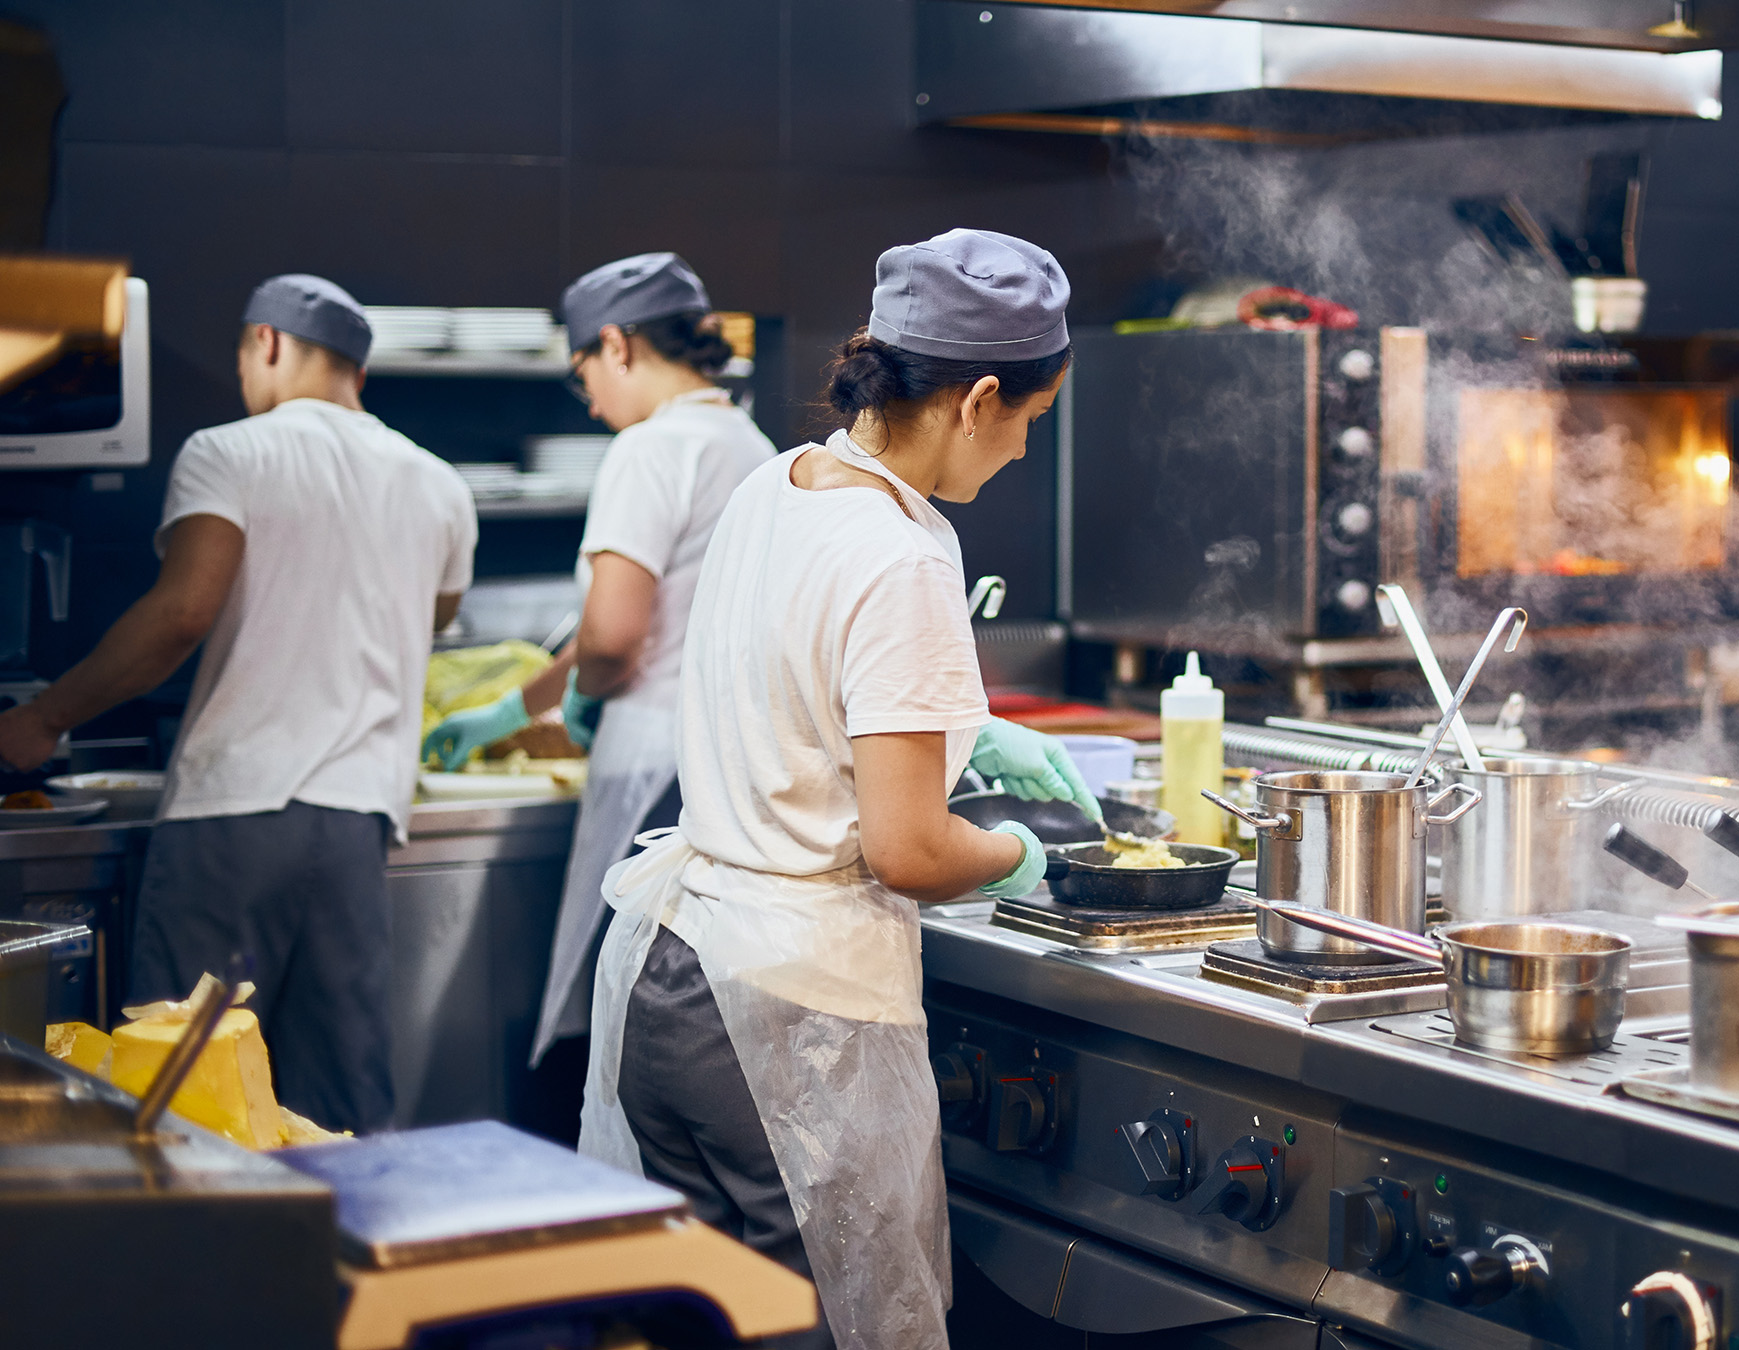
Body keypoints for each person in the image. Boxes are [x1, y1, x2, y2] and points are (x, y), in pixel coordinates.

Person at [579, 229, 1096, 1350]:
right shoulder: (908, 551)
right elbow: (909, 853)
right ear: (979, 399)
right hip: (783, 1024)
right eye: (1029, 424)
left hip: (671, 974)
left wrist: (971, 728)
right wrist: (1025, 857)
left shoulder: (784, 481)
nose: (1018, 455)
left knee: (700, 1330)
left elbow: (798, 683)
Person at [0, 275, 476, 1133]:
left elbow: (183, 612)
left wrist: (41, 719)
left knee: (182, 1082)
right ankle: (353, 1258)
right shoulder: (439, 483)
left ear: (266, 343)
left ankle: (191, 1263)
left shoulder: (231, 451)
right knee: (339, 1105)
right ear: (356, 370)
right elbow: (432, 616)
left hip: (233, 815)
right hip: (356, 821)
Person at [421, 253, 773, 1071]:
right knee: (695, 1012)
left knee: (622, 1012)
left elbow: (615, 640)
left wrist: (587, 697)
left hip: (652, 765)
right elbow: (647, 619)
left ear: (616, 344)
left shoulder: (650, 450)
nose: (588, 397)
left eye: (584, 369)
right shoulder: (751, 445)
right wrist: (520, 706)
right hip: (728, 764)